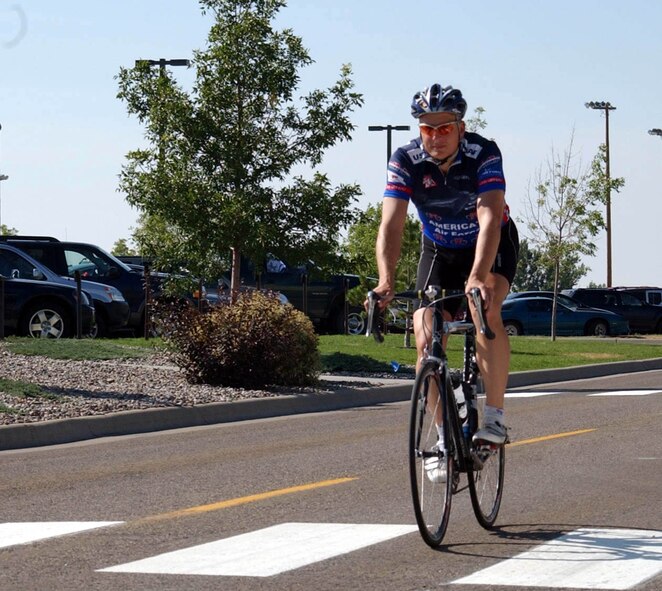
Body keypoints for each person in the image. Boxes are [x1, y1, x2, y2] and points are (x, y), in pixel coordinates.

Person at [372, 83, 519, 479]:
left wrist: (477, 275)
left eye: (444, 128)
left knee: (484, 302)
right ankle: (442, 439)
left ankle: (495, 417)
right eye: (426, 129)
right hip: (439, 249)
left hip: (490, 243)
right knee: (426, 336)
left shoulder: (483, 153)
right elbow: (391, 224)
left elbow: (490, 216)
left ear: (460, 126)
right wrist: (386, 280)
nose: (435, 137)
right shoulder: (405, 159)